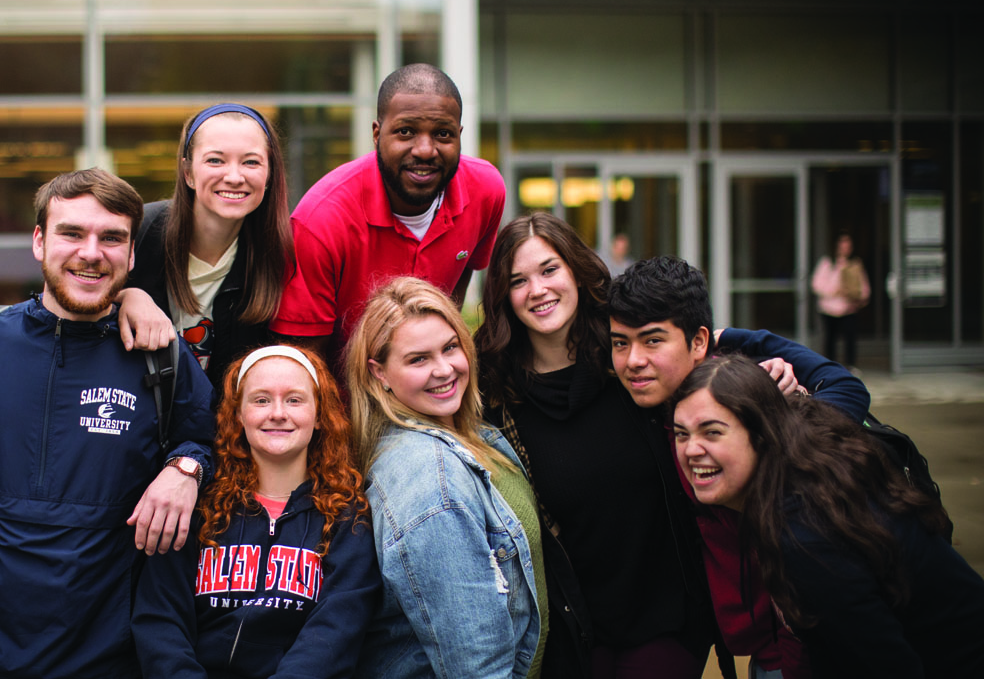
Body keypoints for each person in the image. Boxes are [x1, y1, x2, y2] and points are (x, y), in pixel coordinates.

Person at [0, 169, 217, 679]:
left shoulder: (161, 356)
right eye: (72, 233)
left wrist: (186, 467)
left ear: (131, 255)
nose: (91, 252)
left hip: (105, 651)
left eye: (111, 238)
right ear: (39, 241)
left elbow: (212, 439)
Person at [607, 256, 871, 679]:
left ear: (698, 343)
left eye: (652, 340)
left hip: (807, 643)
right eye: (620, 343)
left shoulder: (750, 410)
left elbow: (848, 389)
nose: (633, 360)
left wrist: (778, 416)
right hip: (749, 645)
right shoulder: (644, 399)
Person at [475, 215, 713, 679]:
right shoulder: (491, 396)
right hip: (570, 637)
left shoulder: (630, 364)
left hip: (666, 624)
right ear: (503, 294)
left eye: (549, 270)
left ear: (576, 272)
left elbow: (704, 343)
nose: (537, 289)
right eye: (518, 280)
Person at [672, 354, 984, 677]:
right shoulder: (802, 476)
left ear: (762, 437)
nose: (691, 449)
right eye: (682, 434)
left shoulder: (808, 536)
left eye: (712, 432)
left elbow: (887, 667)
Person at [133, 345, 380, 678]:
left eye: (294, 400)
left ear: (320, 414)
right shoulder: (197, 507)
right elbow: (160, 621)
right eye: (261, 400)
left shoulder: (347, 518)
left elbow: (335, 632)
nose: (277, 413)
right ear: (238, 414)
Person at [347, 276, 545, 679]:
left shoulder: (473, 432)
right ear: (379, 373)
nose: (444, 369)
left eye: (450, 347)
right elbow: (475, 663)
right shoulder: (428, 478)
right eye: (418, 359)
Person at [271, 63, 506, 364]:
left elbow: (457, 285)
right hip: (344, 401)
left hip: (429, 393)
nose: (425, 150)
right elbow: (304, 360)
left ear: (459, 135)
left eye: (443, 134)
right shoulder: (321, 221)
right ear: (377, 134)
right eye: (405, 132)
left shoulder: (486, 191)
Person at [127, 103, 294, 388]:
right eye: (215, 160)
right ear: (188, 172)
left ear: (270, 175)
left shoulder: (282, 254)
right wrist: (127, 297)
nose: (234, 176)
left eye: (251, 162)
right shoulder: (139, 231)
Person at [810, 232, 870, 369]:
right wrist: (834, 291)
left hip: (849, 308)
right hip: (829, 308)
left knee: (850, 338)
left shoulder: (855, 264)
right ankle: (830, 366)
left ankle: (850, 365)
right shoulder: (827, 262)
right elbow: (816, 284)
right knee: (830, 338)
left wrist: (862, 297)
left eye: (848, 246)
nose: (845, 249)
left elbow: (863, 284)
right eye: (842, 246)